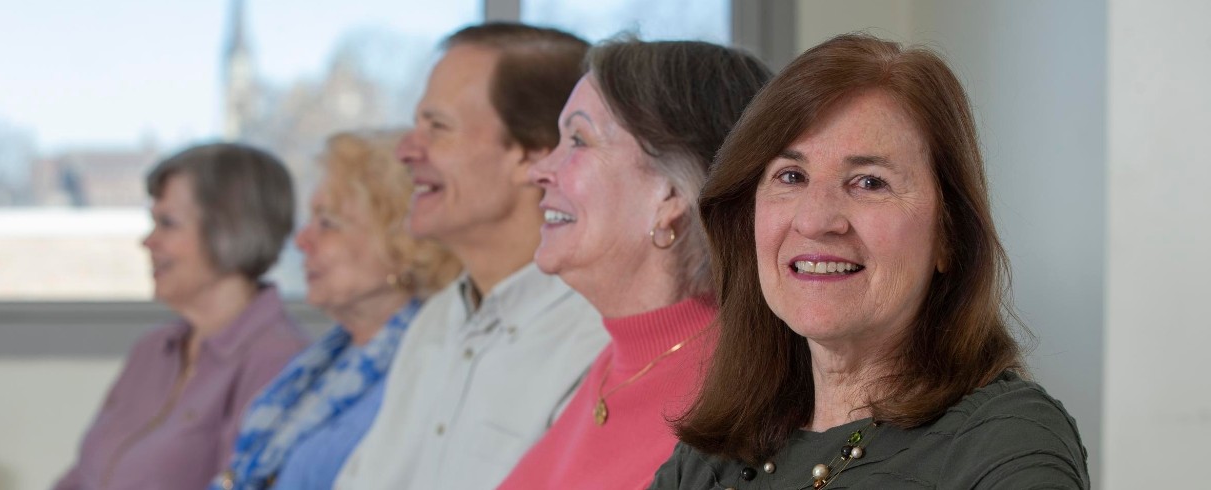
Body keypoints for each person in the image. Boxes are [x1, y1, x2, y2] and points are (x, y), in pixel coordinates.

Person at [650, 34, 1089, 489]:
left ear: (949, 235)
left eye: (869, 183)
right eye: (791, 176)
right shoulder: (710, 457)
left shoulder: (1007, 442)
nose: (816, 219)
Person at [332, 23, 608, 490]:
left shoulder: (597, 339)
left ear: (534, 155)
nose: (404, 151)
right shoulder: (434, 325)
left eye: (437, 127)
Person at [498, 40, 771, 489]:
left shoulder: (735, 396)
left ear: (670, 196)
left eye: (578, 140)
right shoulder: (617, 357)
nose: (538, 170)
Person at [211, 133, 460, 489]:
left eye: (327, 223)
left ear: (402, 244)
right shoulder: (326, 361)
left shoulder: (428, 363)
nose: (302, 241)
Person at [55, 143, 308, 490]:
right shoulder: (153, 350)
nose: (147, 242)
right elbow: (81, 478)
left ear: (229, 229)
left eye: (167, 224)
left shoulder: (278, 361)